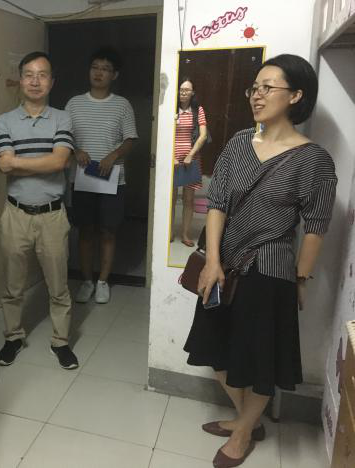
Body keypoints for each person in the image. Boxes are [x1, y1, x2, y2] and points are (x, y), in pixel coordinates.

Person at [184, 54, 337, 467]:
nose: (257, 95)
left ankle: (242, 434)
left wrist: (301, 279)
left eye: (268, 87)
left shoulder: (314, 160)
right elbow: (217, 203)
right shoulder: (238, 143)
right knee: (214, 350)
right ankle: (247, 421)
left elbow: (316, 227)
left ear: (296, 95)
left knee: (259, 360)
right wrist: (212, 261)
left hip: (270, 271)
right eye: (255, 87)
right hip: (224, 264)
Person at [0, 51, 78, 370]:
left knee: (58, 285)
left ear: (51, 82)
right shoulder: (4, 121)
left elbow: (59, 161)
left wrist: (18, 161)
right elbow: (4, 166)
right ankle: (13, 337)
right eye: (29, 74)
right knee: (12, 285)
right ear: (20, 80)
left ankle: (61, 341)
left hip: (52, 215)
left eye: (42, 75)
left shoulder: (62, 118)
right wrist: (41, 162)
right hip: (15, 214)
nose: (35, 81)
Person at [66, 47, 138, 304]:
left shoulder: (122, 105)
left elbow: (130, 139)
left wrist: (113, 155)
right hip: (82, 178)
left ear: (114, 75)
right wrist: (76, 150)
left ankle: (103, 281)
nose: (99, 73)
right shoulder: (74, 104)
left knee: (108, 231)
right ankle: (87, 281)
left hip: (112, 179)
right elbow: (64, 137)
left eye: (105, 69)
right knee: (85, 231)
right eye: (95, 67)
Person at [172, 77, 208, 247]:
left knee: (188, 199)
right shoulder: (171, 109)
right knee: (170, 198)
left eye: (187, 90)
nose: (183, 92)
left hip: (191, 160)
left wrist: (190, 155)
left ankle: (185, 234)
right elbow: (164, 133)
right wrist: (170, 156)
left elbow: (203, 136)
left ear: (192, 92)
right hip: (171, 160)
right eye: (181, 89)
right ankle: (169, 232)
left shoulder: (197, 110)